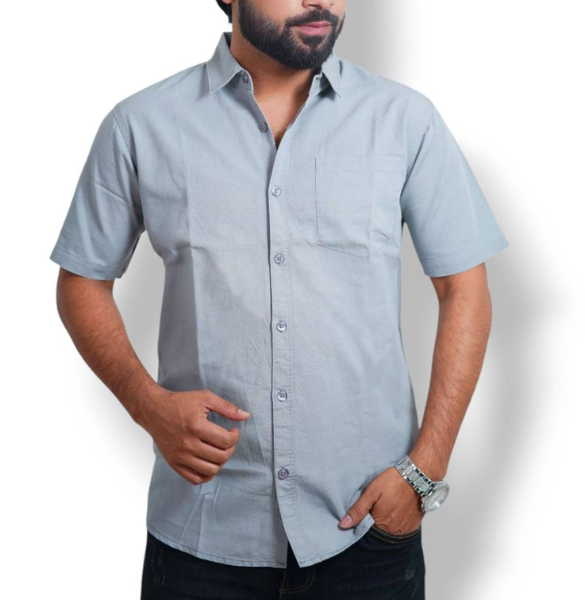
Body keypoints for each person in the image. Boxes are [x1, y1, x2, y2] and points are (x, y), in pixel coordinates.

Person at [49, 1, 509, 598]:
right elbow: (82, 281)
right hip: (203, 532)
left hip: (366, 528)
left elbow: (463, 287)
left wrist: (427, 469)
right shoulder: (140, 125)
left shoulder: (405, 121)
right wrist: (146, 404)